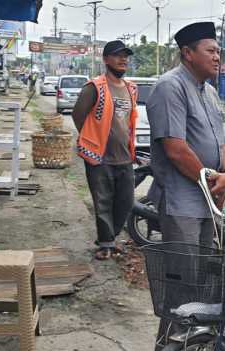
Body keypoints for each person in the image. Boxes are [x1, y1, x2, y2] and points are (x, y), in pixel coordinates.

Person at [145, 21, 225, 351]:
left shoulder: (208, 91)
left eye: (218, 51)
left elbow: (222, 141)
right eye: (210, 51)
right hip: (183, 205)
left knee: (197, 288)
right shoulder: (170, 87)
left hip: (207, 204)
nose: (217, 57)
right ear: (187, 53)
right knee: (181, 290)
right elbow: (175, 148)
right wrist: (213, 182)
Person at [72, 40, 138, 261]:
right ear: (106, 59)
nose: (123, 59)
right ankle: (106, 243)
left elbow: (128, 121)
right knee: (102, 201)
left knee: (126, 201)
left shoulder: (131, 88)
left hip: (124, 156)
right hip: (99, 157)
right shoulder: (95, 87)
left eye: (125, 56)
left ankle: (111, 237)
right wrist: (91, 138)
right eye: (118, 55)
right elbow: (78, 115)